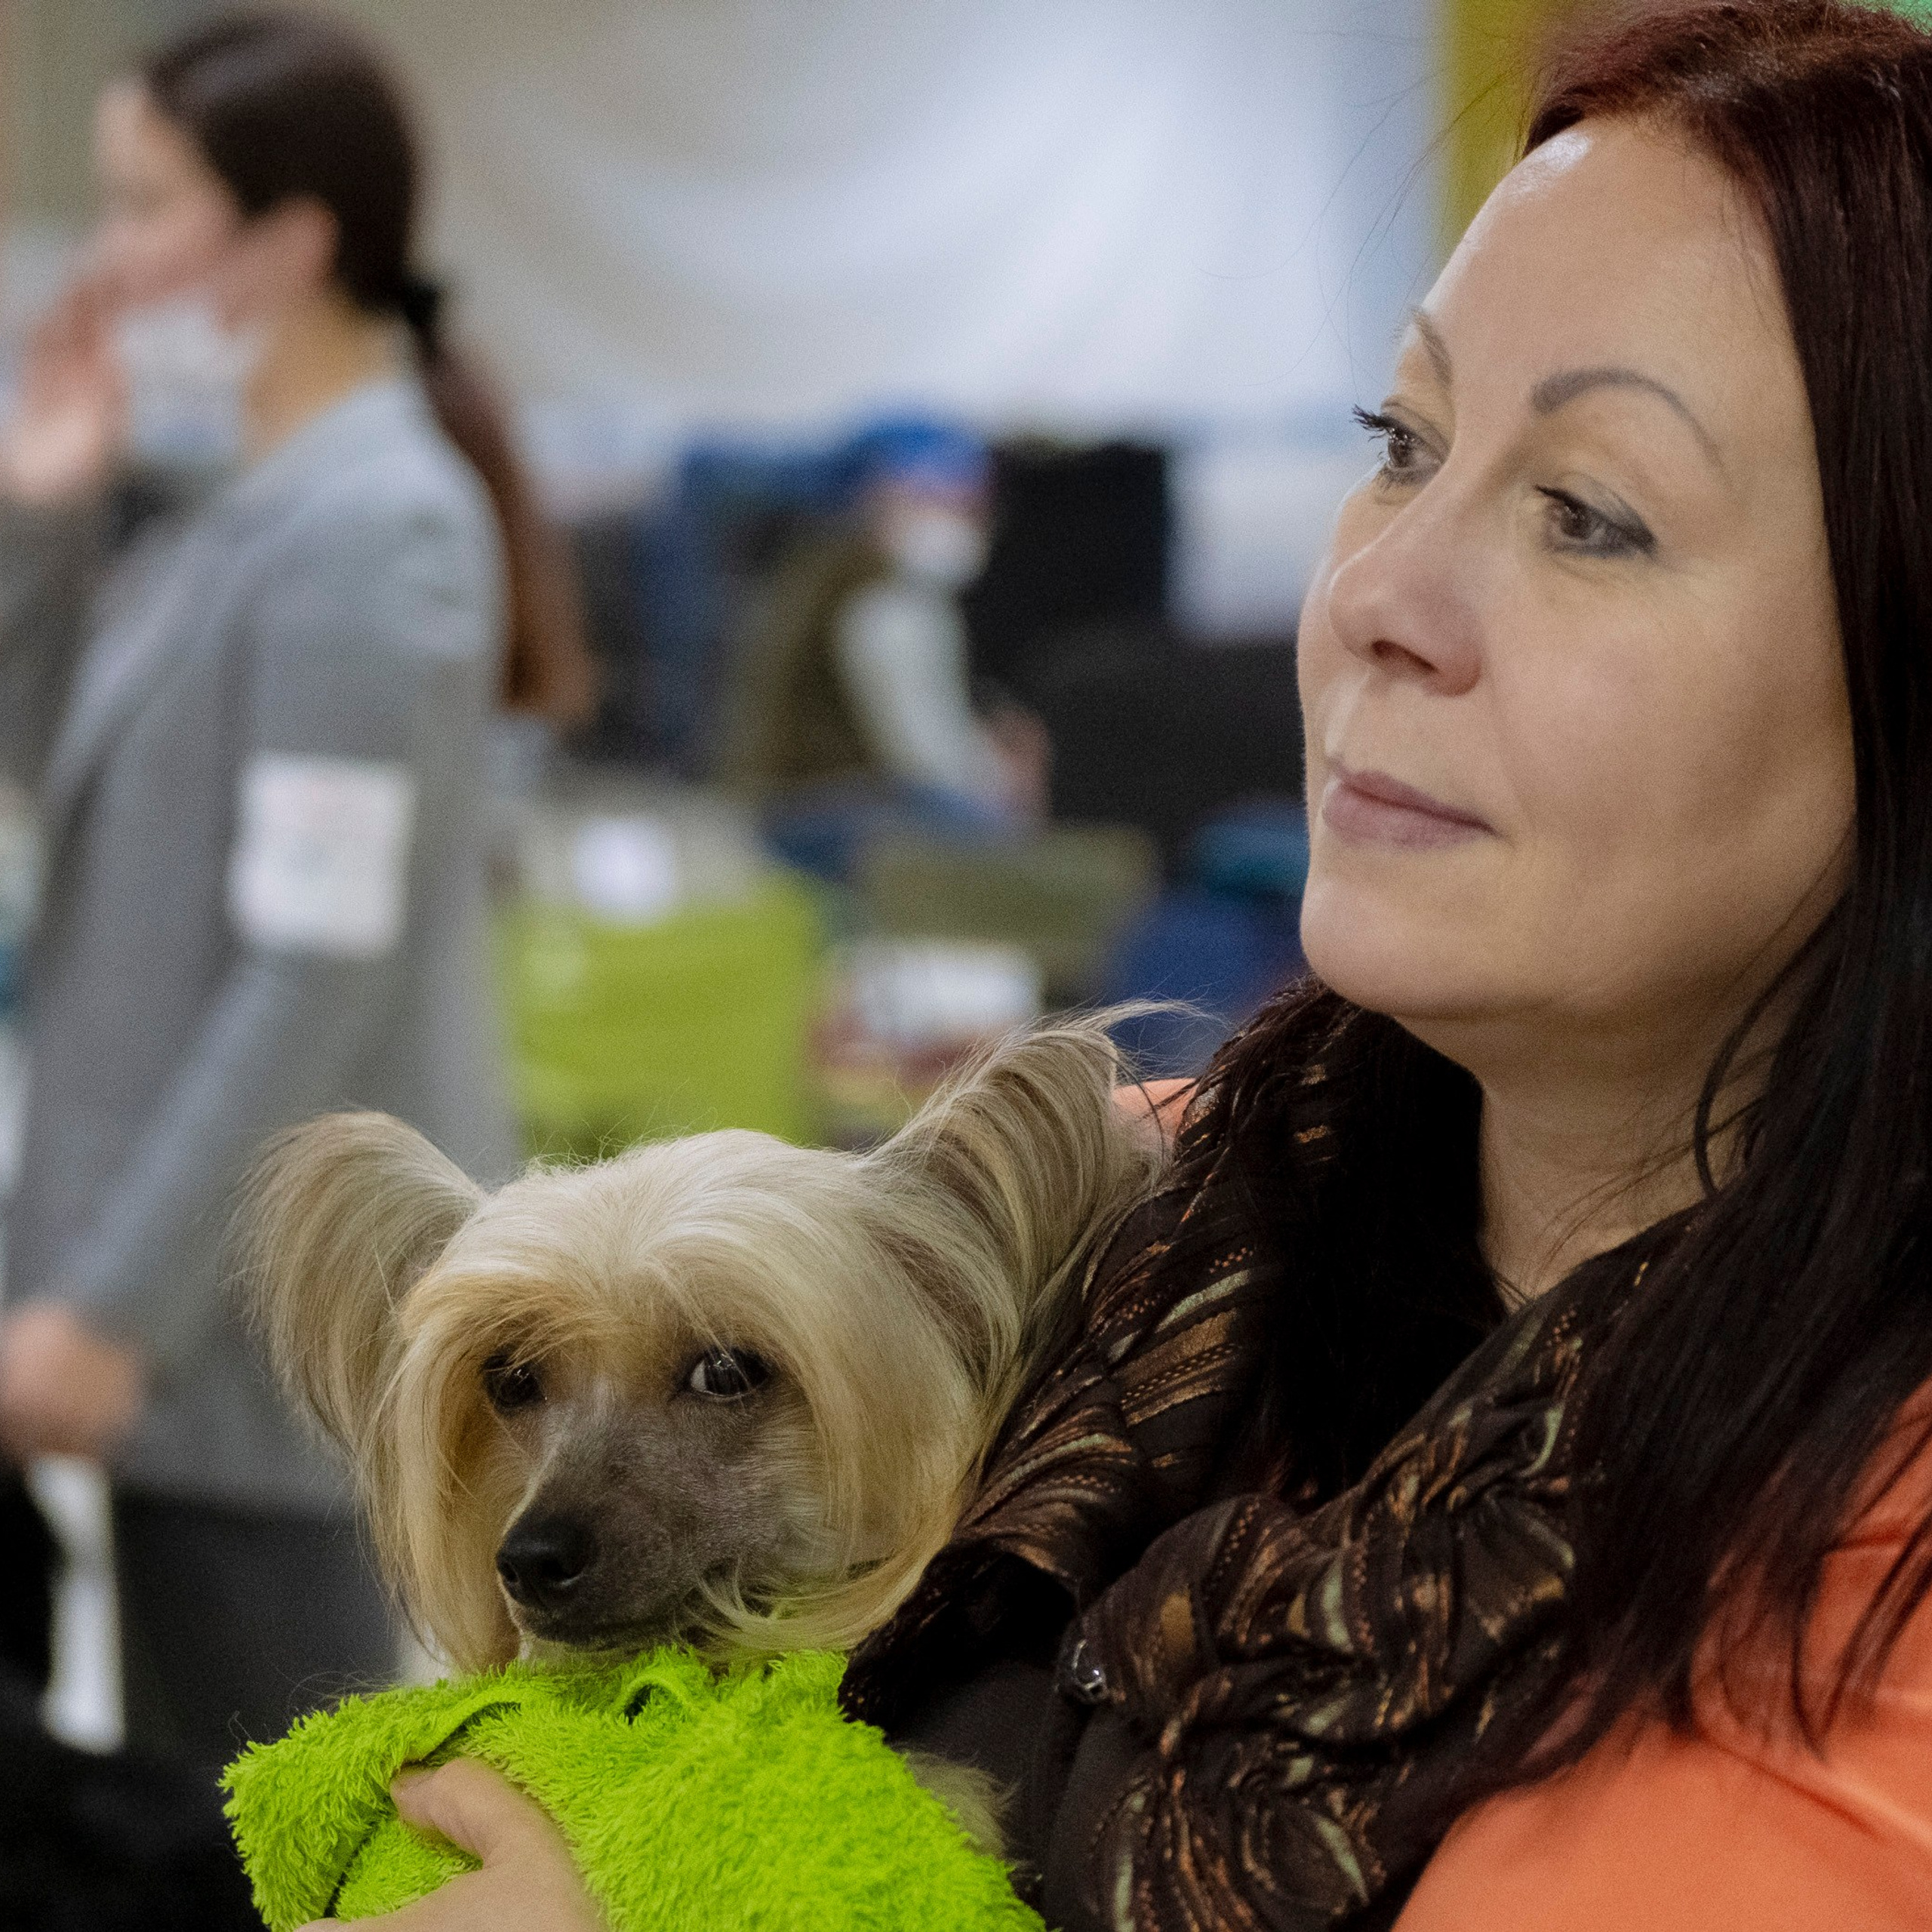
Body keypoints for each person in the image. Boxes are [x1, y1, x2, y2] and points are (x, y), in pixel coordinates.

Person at [276, 2, 1932, 1927]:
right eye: (1400, 442)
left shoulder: (1869, 1572)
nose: (1373, 593)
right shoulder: (1127, 1224)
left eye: (1588, 513)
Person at [0, 11, 592, 1774]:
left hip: (257, 1308)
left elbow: (309, 965)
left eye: (144, 205)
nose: (109, 256)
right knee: (194, 1790)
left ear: (290, 237)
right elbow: (51, 770)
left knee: (278, 1807)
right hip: (180, 1280)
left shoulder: (371, 527)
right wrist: (44, 511)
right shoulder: (236, 505)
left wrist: (116, 1303)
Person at [718, 423, 1048, 880]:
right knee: (999, 841)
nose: (950, 520)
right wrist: (1004, 786)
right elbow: (925, 754)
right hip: (817, 808)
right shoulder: (884, 601)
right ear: (877, 502)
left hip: (794, 802)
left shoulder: (834, 572)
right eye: (926, 501)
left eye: (964, 506)